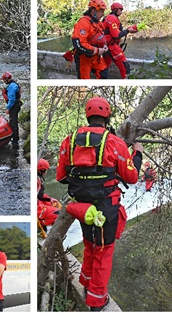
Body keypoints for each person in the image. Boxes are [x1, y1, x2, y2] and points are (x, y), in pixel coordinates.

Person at [56, 96, 142, 311]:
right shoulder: (114, 142)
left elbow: (60, 176)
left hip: (83, 207)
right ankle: (96, 300)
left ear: (88, 116)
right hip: (106, 206)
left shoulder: (69, 140)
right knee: (104, 250)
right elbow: (131, 178)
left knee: (89, 244)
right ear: (106, 117)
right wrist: (137, 153)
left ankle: (86, 281)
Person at [72, 0, 109, 79]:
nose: (103, 14)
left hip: (96, 57)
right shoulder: (83, 23)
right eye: (101, 11)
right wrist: (97, 50)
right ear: (93, 11)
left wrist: (104, 45)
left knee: (104, 74)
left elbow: (102, 36)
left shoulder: (98, 23)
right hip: (84, 58)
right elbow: (79, 44)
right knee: (84, 79)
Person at [101, 3, 138, 79]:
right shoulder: (111, 18)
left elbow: (118, 32)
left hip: (107, 45)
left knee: (103, 67)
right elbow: (116, 35)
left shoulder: (111, 18)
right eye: (120, 9)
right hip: (111, 46)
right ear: (115, 10)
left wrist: (130, 29)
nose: (121, 11)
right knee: (125, 67)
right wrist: (128, 30)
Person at [37, 158, 60, 231]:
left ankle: (45, 223)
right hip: (36, 207)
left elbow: (39, 195)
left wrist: (49, 199)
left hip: (38, 202)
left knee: (56, 204)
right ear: (42, 170)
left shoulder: (38, 178)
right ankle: (45, 228)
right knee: (58, 214)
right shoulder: (36, 180)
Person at [1, 72, 21, 148]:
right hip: (15, 105)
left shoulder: (12, 86)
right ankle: (15, 138)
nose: (3, 81)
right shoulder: (13, 84)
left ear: (6, 79)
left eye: (4, 80)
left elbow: (12, 100)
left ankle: (15, 141)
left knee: (13, 123)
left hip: (14, 106)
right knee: (13, 121)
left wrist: (8, 108)